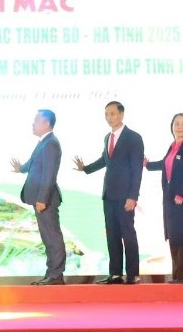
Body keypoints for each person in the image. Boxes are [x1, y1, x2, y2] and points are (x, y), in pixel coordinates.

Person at [74, 101, 144, 285]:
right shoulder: (108, 137)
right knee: (112, 235)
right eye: (106, 114)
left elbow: (137, 169)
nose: (109, 117)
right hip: (109, 194)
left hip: (125, 196)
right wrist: (86, 168)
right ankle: (115, 274)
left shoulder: (134, 137)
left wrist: (133, 196)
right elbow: (105, 159)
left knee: (127, 234)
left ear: (121, 114)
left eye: (112, 114)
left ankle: (133, 274)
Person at [143, 113, 183, 284]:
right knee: (175, 234)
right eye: (177, 123)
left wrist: (181, 194)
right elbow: (166, 164)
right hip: (171, 198)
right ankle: (178, 274)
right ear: (172, 127)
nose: (180, 127)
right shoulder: (173, 146)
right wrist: (148, 165)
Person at [11, 109, 65, 285]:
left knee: (52, 237)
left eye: (36, 120)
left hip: (46, 200)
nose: (32, 124)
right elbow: (33, 162)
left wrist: (42, 199)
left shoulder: (51, 144)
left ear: (46, 123)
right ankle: (52, 274)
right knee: (48, 237)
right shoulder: (44, 142)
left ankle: (56, 276)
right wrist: (21, 169)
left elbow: (49, 174)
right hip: (41, 199)